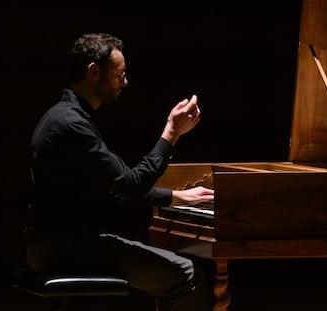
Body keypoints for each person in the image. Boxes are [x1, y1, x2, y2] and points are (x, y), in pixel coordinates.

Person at [25, 32, 215, 311]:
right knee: (186, 273)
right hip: (68, 248)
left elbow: (114, 189)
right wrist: (170, 134)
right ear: (94, 71)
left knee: (172, 276)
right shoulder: (73, 125)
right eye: (119, 75)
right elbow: (130, 185)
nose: (125, 82)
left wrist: (175, 196)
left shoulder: (62, 117)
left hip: (50, 246)